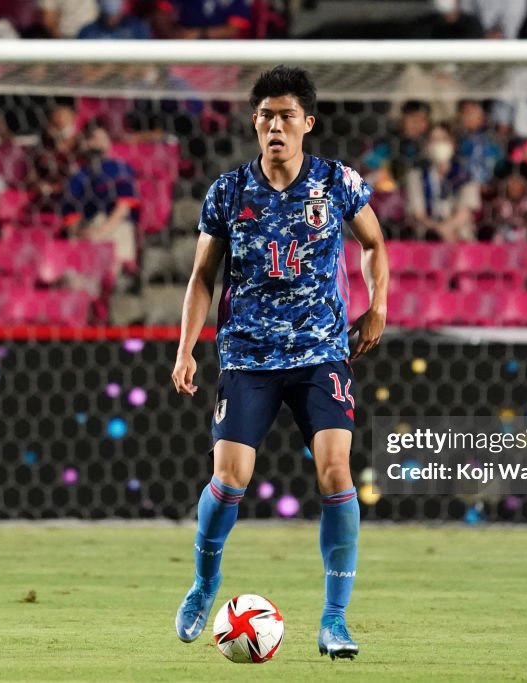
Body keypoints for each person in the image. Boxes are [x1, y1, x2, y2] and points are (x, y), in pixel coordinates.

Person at [171, 66, 388, 660]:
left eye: (286, 115)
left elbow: (373, 243)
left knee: (336, 473)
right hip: (247, 356)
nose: (274, 125)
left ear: (307, 124)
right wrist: (187, 346)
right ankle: (204, 583)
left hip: (322, 352)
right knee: (231, 477)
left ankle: (335, 621)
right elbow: (201, 278)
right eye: (265, 115)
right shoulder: (228, 191)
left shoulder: (337, 183)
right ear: (254, 123)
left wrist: (378, 307)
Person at [60, 122, 139, 271]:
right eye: (93, 139)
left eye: (103, 138)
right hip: (87, 226)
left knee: (119, 234)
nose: (99, 143)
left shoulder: (120, 168)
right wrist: (80, 232)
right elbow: (70, 212)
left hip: (115, 225)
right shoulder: (79, 175)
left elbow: (124, 207)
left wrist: (101, 232)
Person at [406, 123, 481, 241]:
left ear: (453, 143)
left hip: (460, 238)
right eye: (433, 140)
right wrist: (438, 231)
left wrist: (446, 230)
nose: (438, 144)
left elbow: (465, 212)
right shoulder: (416, 176)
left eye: (443, 139)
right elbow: (418, 214)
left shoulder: (465, 175)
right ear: (426, 145)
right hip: (428, 238)